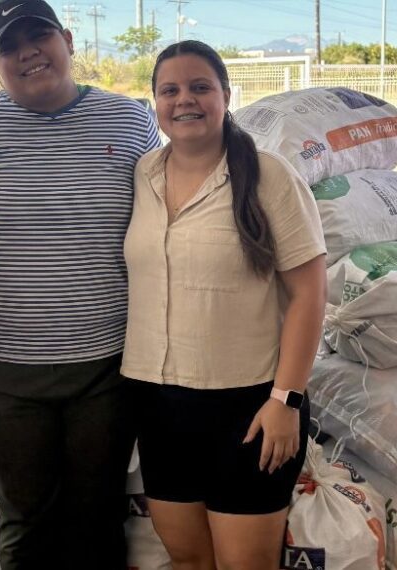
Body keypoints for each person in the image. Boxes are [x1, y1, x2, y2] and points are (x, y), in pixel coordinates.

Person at [0, 1, 160, 567]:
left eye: (39, 36)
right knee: (27, 523)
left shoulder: (130, 120)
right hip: (6, 375)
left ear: (67, 39)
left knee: (99, 517)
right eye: (9, 46)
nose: (28, 52)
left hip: (107, 368)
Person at [122, 40, 328, 570]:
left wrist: (287, 399)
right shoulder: (143, 174)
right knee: (190, 561)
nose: (184, 100)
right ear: (155, 103)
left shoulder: (268, 175)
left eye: (199, 87)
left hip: (251, 410)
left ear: (225, 96)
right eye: (169, 90)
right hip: (160, 405)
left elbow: (309, 292)